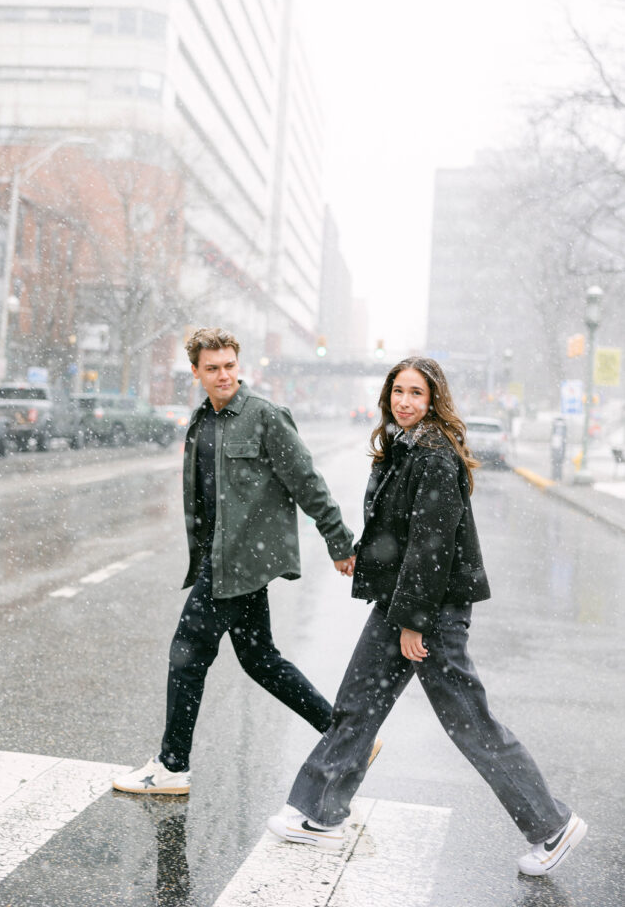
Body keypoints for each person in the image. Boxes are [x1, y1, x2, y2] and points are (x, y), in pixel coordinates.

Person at [268, 357, 587, 877]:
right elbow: (397, 532)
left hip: (429, 613)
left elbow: (429, 547)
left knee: (470, 724)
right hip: (401, 603)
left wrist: (414, 622)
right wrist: (362, 558)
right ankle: (318, 813)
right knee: (358, 703)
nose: (405, 401)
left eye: (416, 392)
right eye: (398, 391)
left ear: (434, 400)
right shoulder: (403, 447)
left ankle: (551, 826)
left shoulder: (434, 455)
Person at [113, 326, 362, 796]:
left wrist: (339, 541)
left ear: (238, 365)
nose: (223, 375)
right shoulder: (201, 420)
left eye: (229, 365)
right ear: (196, 372)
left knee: (186, 653)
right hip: (219, 557)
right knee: (260, 660)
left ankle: (172, 766)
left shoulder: (266, 418)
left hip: (242, 561)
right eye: (213, 368)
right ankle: (347, 737)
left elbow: (307, 482)